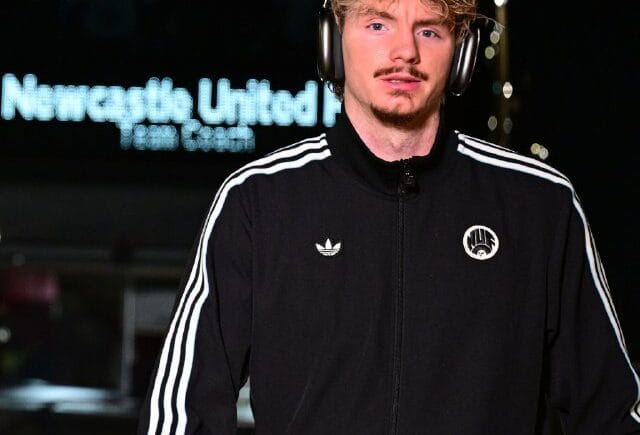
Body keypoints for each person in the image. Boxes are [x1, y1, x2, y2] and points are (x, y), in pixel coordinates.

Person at [138, 0, 640, 433]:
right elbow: (178, 413)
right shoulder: (257, 201)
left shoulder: (540, 205)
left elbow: (613, 413)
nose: (405, 52)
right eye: (378, 24)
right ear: (333, 41)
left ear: (462, 53)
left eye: (430, 30)